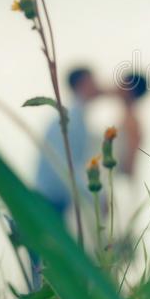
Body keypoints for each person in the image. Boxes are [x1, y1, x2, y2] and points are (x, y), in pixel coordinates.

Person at [34, 67, 102, 217]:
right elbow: (62, 166)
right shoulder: (68, 120)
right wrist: (96, 198)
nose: (98, 85)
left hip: (58, 201)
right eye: (93, 81)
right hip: (49, 201)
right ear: (83, 84)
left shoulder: (78, 119)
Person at [115, 72, 149, 175]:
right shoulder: (126, 116)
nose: (117, 86)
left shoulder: (132, 121)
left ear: (130, 90)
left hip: (122, 179)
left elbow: (130, 162)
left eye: (123, 84)